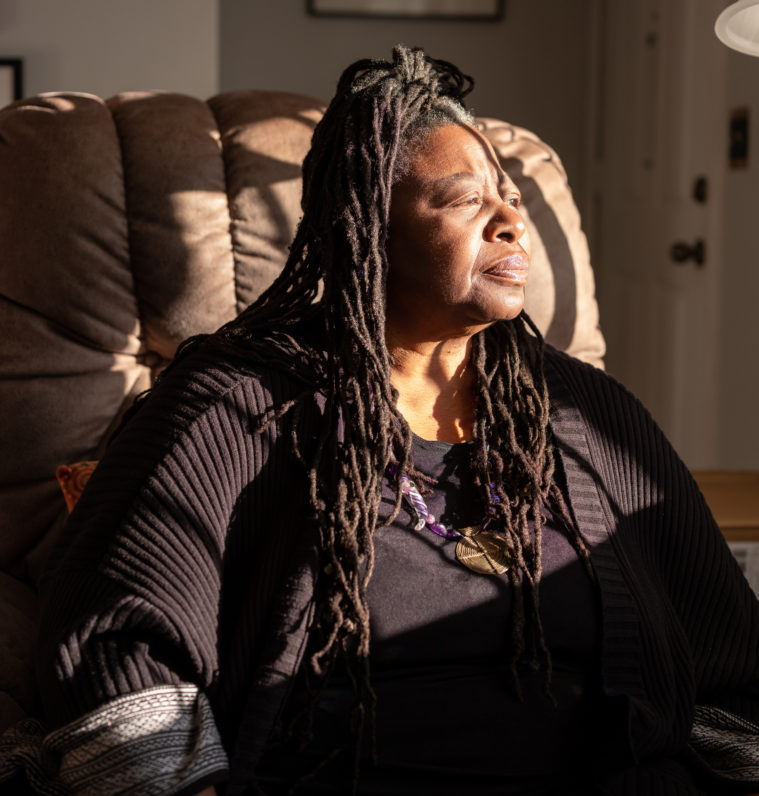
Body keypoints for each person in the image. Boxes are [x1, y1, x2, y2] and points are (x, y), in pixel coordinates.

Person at [18, 47, 759, 794]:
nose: (510, 222)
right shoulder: (236, 404)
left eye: (509, 197)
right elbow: (116, 639)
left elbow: (721, 647)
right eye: (465, 199)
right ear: (368, 229)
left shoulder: (583, 409)